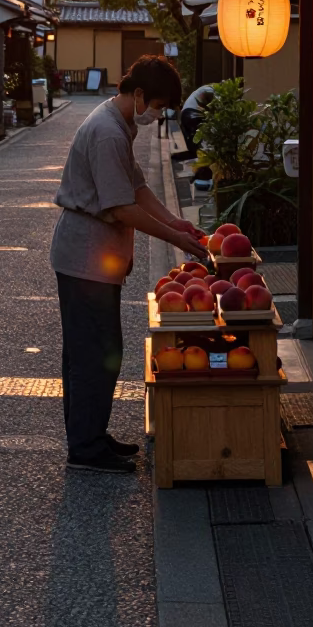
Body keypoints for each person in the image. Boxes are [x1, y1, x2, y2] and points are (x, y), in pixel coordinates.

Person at [51, 55, 210, 475]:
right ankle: (85, 447)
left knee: (98, 350)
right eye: (156, 105)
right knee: (93, 353)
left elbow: (137, 185)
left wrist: (176, 221)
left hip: (93, 257)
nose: (157, 114)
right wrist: (175, 238)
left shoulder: (118, 124)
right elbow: (121, 207)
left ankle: (91, 435)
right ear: (138, 94)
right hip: (85, 254)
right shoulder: (106, 132)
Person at [179, 83, 215, 156]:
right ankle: (206, 154)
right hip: (193, 113)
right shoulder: (210, 89)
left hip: (184, 114)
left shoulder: (198, 91)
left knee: (193, 138)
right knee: (203, 134)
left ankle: (190, 153)